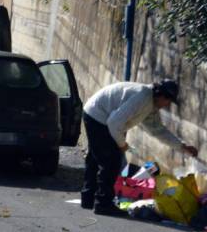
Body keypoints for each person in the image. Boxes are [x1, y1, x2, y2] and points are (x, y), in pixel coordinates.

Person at [80, 79, 199, 217]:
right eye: (168, 101)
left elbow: (158, 130)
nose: (167, 105)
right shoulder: (142, 98)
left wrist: (182, 146)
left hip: (98, 114)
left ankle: (88, 199)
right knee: (110, 161)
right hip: (98, 116)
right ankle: (103, 204)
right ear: (161, 96)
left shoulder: (151, 104)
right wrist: (122, 145)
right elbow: (114, 122)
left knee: (96, 158)